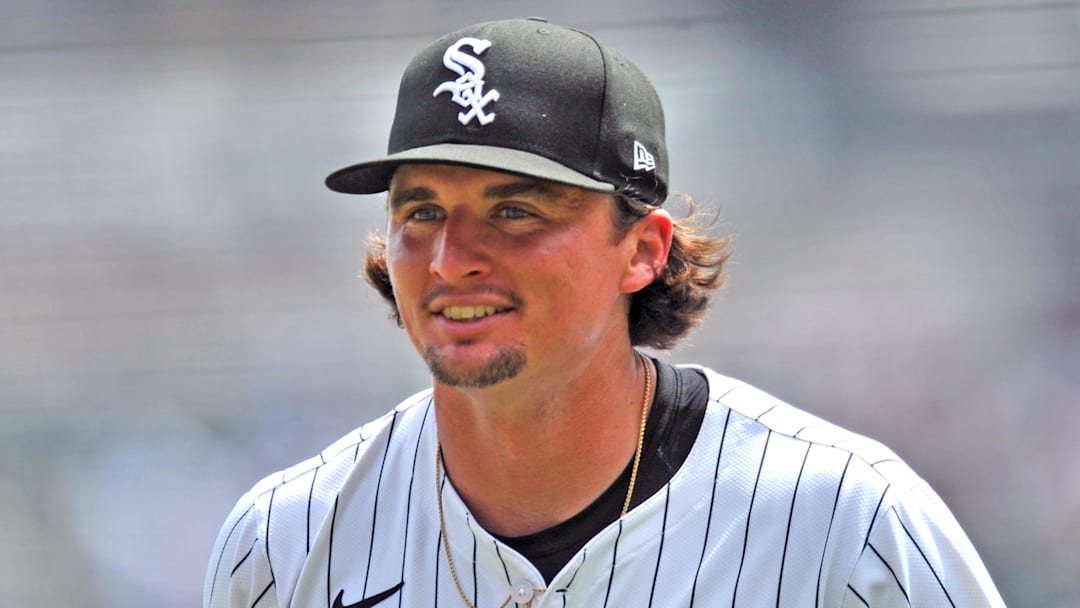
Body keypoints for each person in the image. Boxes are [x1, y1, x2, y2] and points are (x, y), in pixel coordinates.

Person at [204, 18, 1004, 607]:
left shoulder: (847, 522)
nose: (450, 259)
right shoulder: (284, 544)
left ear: (642, 250)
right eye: (422, 212)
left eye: (514, 211)